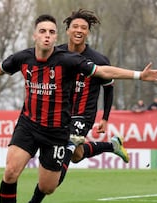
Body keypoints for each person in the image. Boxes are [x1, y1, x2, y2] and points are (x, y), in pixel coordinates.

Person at [0, 14, 157, 203]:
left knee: (48, 187)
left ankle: (105, 147)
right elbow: (0, 68)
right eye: (43, 31)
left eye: (51, 32)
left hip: (57, 131)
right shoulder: (23, 58)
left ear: (56, 35)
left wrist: (139, 75)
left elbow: (103, 71)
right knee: (11, 172)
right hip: (28, 125)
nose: (47, 36)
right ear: (34, 35)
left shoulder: (67, 60)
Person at [29, 9, 128, 203]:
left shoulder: (99, 60)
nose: (79, 30)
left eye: (84, 27)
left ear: (88, 32)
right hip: (61, 114)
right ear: (67, 30)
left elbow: (109, 88)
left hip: (83, 115)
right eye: (75, 26)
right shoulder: (56, 54)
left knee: (66, 151)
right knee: (77, 155)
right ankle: (112, 145)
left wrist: (105, 118)